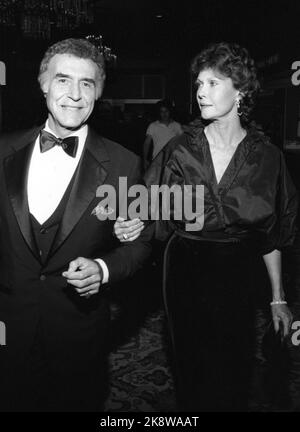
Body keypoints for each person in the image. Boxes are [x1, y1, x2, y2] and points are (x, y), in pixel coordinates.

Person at [113, 42, 298, 411]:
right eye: (199, 83)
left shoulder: (268, 157)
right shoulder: (181, 148)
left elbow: (272, 235)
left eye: (214, 83)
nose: (201, 91)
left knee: (235, 361)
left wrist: (278, 297)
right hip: (185, 264)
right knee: (191, 362)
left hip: (238, 268)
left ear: (241, 91)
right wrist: (129, 221)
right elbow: (148, 203)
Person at [0, 38, 152, 412]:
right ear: (43, 84)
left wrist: (103, 269)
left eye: (87, 83)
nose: (74, 94)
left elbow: (142, 243)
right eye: (63, 80)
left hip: (78, 334)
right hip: (9, 329)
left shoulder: (123, 164)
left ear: (98, 92)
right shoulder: (3, 151)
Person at [143, 99, 182, 170]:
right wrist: (145, 160)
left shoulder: (177, 126)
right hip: (157, 162)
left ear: (170, 112)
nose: (164, 114)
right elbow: (147, 144)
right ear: (159, 113)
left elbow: (182, 144)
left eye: (166, 111)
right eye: (162, 112)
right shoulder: (153, 126)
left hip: (172, 162)